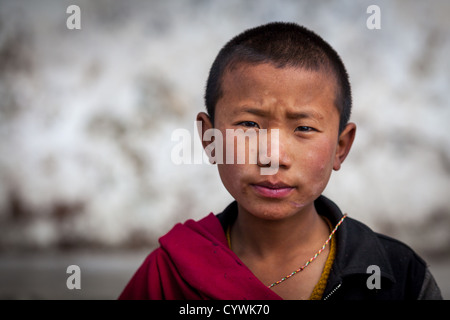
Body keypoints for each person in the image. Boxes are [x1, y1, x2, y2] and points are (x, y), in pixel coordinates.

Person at [119, 22, 442, 300]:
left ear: (341, 147)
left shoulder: (397, 275)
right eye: (248, 125)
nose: (273, 157)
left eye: (303, 128)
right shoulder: (171, 272)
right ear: (209, 137)